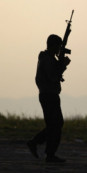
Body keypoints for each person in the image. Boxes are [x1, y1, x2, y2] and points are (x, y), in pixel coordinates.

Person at [27, 34, 71, 163]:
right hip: (48, 95)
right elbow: (53, 76)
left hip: (50, 94)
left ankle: (39, 145)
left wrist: (60, 64)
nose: (59, 50)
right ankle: (48, 153)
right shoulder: (47, 60)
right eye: (58, 47)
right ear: (52, 46)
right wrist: (63, 65)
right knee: (55, 125)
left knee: (55, 124)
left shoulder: (48, 58)